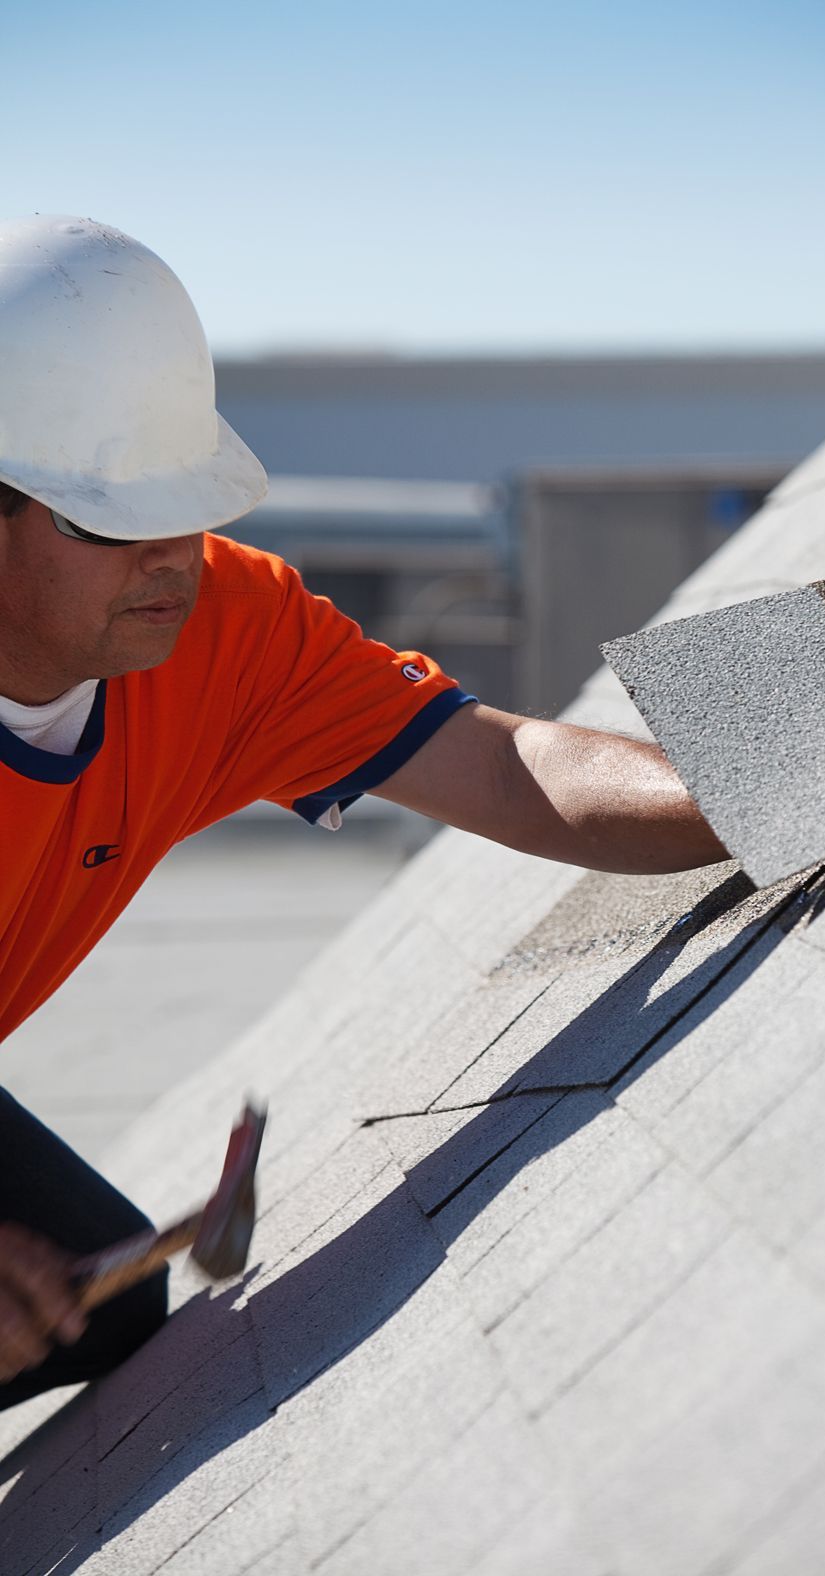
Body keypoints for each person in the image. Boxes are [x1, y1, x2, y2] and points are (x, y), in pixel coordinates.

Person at [0, 216, 726, 1407]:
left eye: (188, 505)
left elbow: (503, 770)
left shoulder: (227, 634)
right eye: (112, 520)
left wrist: (757, 776)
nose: (172, 557)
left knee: (100, 1301)